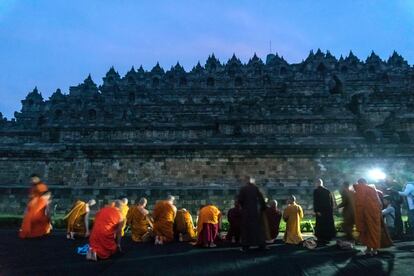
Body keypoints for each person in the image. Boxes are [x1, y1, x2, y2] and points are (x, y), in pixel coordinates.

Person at [354, 178, 388, 256]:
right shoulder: (373, 190)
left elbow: (358, 204)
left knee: (366, 232)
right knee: (374, 231)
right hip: (374, 214)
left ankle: (369, 248)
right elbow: (379, 203)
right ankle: (374, 249)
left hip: (363, 215)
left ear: (359, 183)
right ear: (366, 182)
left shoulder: (358, 191)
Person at [238, 176, 267, 251]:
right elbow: (261, 199)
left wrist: (243, 207)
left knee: (246, 229)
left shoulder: (243, 189)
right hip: (256, 212)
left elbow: (240, 200)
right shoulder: (256, 188)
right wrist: (263, 208)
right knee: (258, 228)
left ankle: (246, 246)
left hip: (246, 212)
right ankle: (261, 245)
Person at [313, 179, 336, 244]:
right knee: (327, 224)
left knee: (321, 224)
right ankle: (328, 236)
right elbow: (331, 202)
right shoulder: (327, 191)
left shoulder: (316, 191)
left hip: (320, 211)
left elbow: (316, 202)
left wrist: (317, 210)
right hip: (328, 211)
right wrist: (331, 210)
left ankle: (321, 237)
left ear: (317, 183)